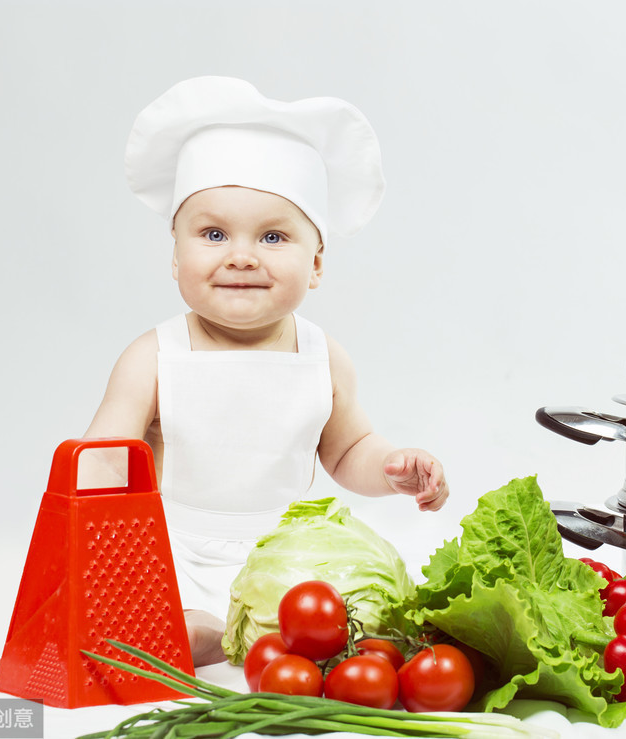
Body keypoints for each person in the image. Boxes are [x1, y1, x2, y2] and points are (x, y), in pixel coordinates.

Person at [82, 76, 449, 666]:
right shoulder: (154, 355)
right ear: (175, 257)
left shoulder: (321, 355)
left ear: (317, 263)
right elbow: (104, 455)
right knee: (171, 607)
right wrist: (90, 510)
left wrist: (391, 468)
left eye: (274, 236)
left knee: (335, 607)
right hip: (172, 545)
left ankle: (271, 632)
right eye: (213, 233)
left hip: (286, 551)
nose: (242, 254)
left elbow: (347, 448)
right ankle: (199, 632)